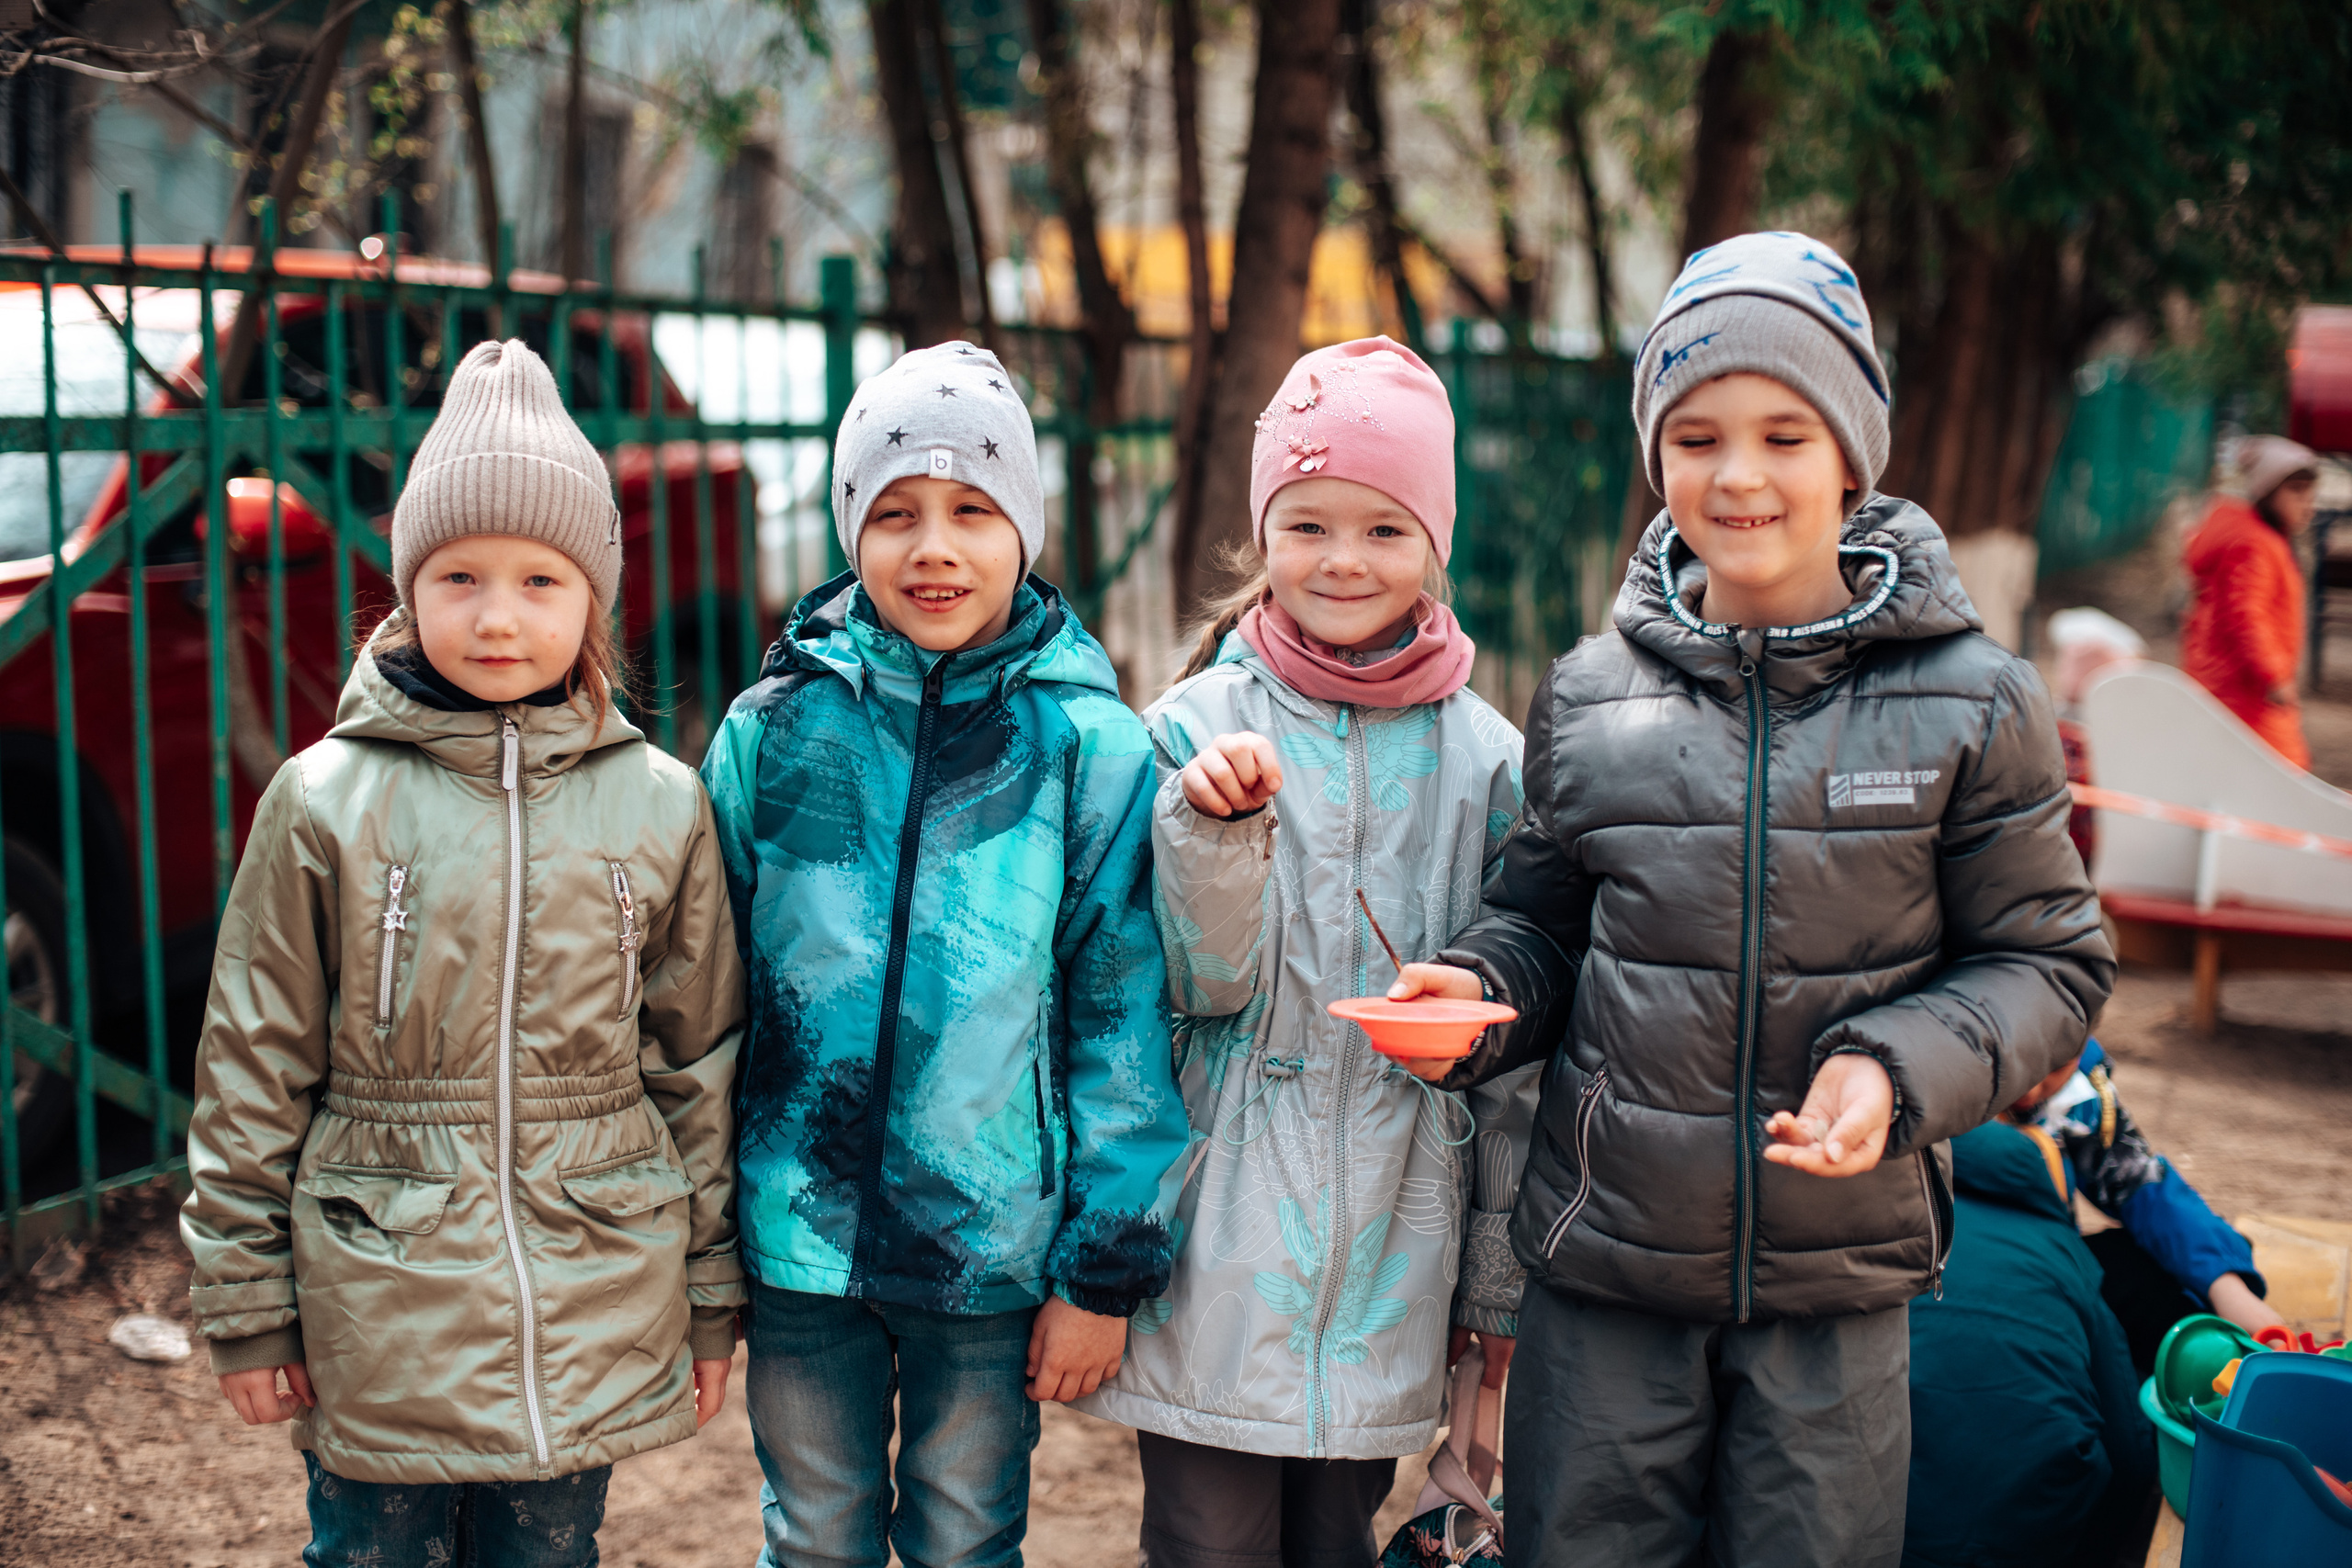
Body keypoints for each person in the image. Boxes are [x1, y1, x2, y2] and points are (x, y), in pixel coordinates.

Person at [1386, 231, 2118, 1566]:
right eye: (1697, 433)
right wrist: (1481, 991)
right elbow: (1545, 925)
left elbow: (2047, 960)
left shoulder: (1976, 696)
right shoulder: (1592, 695)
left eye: (1785, 432)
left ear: (1853, 452)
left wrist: (1895, 1071)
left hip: (1838, 1282)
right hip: (1603, 1273)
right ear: (1656, 455)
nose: (1737, 473)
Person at [181, 340, 746, 1565]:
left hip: (590, 1284)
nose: (498, 613)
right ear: (404, 589)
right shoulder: (324, 798)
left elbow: (696, 1059)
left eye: (542, 578)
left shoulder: (660, 803)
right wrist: (245, 1299)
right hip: (376, 1295)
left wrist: (708, 1292)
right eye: (460, 574)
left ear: (593, 594)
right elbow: (252, 1056)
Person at [701, 340, 1189, 1568]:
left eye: (974, 509)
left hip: (990, 1247)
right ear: (847, 526)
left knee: (966, 1536)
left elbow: (1120, 1020)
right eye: (897, 511)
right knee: (814, 1535)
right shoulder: (773, 729)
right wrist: (701, 1231)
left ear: (1023, 524)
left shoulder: (1090, 747)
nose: (934, 547)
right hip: (798, 1239)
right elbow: (700, 1000)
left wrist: (1103, 1269)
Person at [1071, 337, 1538, 1568]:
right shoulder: (1185, 728)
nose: (1344, 559)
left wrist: (1493, 1277)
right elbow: (1186, 982)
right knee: (1206, 1536)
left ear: (1435, 538)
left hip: (1397, 1232)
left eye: (1385, 528)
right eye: (1310, 521)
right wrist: (1217, 834)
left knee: (1336, 1537)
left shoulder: (1489, 756)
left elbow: (1520, 1028)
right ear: (1261, 528)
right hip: (1218, 1232)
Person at [1900, 1120, 2157, 1568]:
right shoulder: (2065, 1252)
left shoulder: (1881, 1234)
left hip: (1883, 1518)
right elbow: (2128, 1445)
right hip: (2036, 1520)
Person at [2007, 1037, 2280, 1371]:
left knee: (2173, 1273)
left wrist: (2226, 1286)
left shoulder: (2078, 1094)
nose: (2030, 1092)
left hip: (2051, 1269)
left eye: (2056, 1066)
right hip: (1977, 1283)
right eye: (2006, 1065)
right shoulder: (1938, 1104)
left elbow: (2138, 1183)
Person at [2181, 434, 2320, 768]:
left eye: (2310, 492)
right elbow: (2245, 615)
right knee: (2280, 772)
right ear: (2266, 491)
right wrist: (2273, 677)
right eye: (2296, 491)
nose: (2308, 504)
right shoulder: (2253, 544)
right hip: (2242, 689)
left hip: (2240, 685)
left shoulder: (2267, 539)